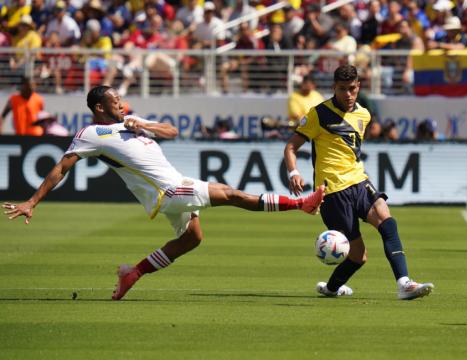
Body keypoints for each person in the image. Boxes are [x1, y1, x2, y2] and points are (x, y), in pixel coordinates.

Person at [2, 85, 325, 301]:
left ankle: (134, 272)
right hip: (168, 191)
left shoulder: (130, 120)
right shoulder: (92, 134)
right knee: (232, 194)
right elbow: (62, 167)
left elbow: (172, 130)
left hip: (172, 187)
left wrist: (144, 126)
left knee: (192, 239)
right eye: (115, 101)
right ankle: (300, 204)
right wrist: (32, 201)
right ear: (100, 107)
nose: (121, 104)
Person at [283, 65, 434, 300]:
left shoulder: (364, 114)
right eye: (342, 89)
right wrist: (294, 173)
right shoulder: (318, 114)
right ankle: (331, 288)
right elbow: (291, 146)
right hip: (332, 191)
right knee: (358, 256)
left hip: (359, 181)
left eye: (352, 88)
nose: (347, 94)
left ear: (358, 87)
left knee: (387, 221)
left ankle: (404, 283)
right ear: (334, 88)